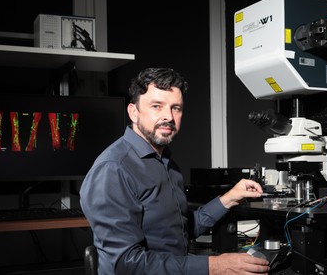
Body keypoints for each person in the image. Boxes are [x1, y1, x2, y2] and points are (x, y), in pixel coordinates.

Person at [80, 68, 270, 275]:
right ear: (133, 112)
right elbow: (127, 263)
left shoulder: (167, 163)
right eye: (156, 106)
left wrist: (229, 199)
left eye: (176, 108)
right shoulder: (113, 169)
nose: (168, 117)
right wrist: (215, 266)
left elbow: (180, 230)